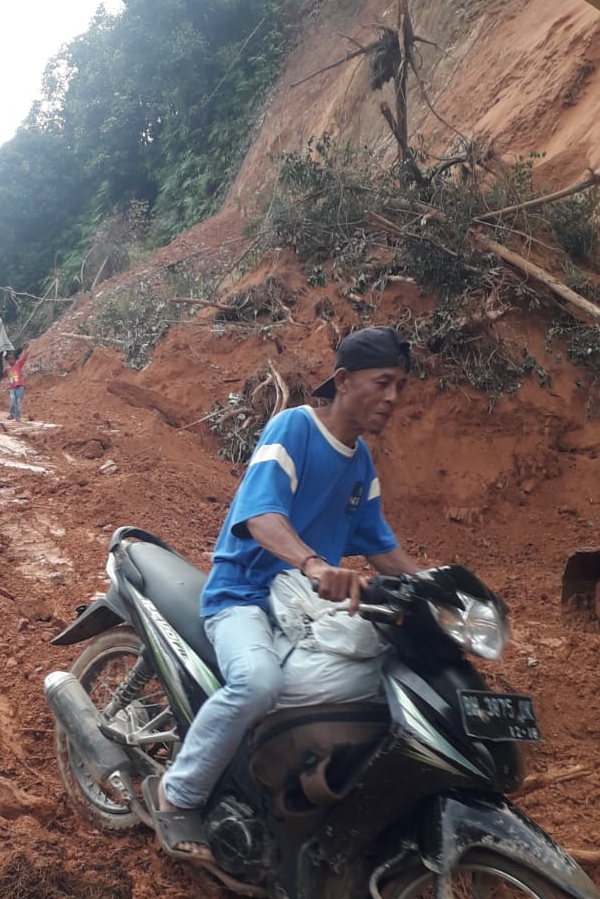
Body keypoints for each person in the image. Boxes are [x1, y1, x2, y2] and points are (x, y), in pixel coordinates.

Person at [144, 325, 420, 863]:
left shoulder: (361, 463)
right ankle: (178, 795)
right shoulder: (294, 428)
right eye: (383, 383)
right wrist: (314, 564)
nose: (393, 398)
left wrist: (436, 592)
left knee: (385, 670)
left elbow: (383, 547)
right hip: (242, 597)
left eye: (399, 386)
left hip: (303, 611)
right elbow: (260, 516)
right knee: (259, 682)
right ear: (343, 381)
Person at [5, 345, 28, 421]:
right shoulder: (7, 370)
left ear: (15, 359)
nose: (10, 361)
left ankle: (17, 417)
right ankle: (12, 414)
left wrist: (24, 349)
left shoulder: (18, 365)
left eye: (12, 359)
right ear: (7, 360)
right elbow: (1, 376)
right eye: (9, 359)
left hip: (20, 387)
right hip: (12, 388)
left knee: (18, 402)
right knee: (12, 401)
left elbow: (23, 358)